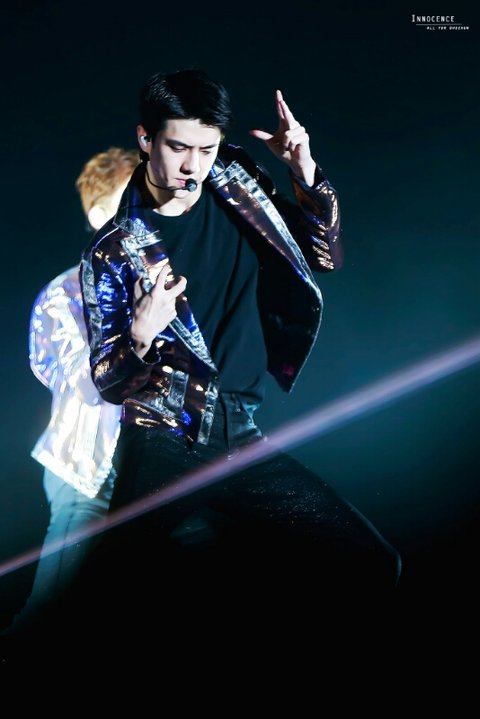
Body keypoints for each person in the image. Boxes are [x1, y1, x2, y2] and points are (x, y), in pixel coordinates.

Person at [79, 70, 401, 624]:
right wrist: (140, 334)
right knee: (106, 602)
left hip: (241, 433)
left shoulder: (236, 177)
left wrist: (303, 169)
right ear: (145, 140)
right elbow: (109, 382)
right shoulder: (113, 251)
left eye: (206, 149)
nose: (193, 166)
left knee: (372, 562)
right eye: (178, 147)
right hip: (166, 438)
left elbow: (323, 256)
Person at [7, 147, 140, 633]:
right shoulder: (64, 294)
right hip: (87, 471)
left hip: (156, 468)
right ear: (100, 214)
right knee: (49, 612)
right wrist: (139, 334)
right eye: (133, 199)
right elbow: (81, 380)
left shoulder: (168, 282)